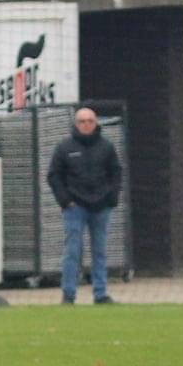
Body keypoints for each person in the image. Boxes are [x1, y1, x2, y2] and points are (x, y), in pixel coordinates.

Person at [47, 106, 123, 305]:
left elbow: (116, 173)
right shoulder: (64, 148)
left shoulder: (106, 147)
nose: (86, 124)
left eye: (90, 121)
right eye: (82, 121)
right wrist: (66, 201)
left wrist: (111, 198)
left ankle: (100, 293)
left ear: (95, 123)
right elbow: (54, 176)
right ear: (76, 123)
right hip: (75, 207)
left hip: (101, 206)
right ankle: (68, 294)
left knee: (100, 251)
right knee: (72, 250)